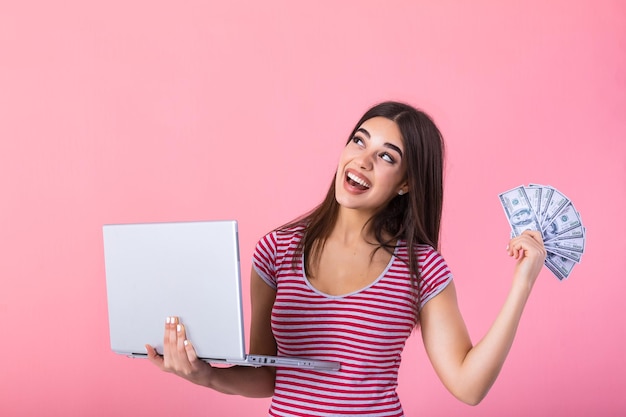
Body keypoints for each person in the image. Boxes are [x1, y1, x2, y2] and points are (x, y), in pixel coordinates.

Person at [146, 101, 547, 416]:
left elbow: (468, 386)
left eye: (387, 157)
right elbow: (268, 375)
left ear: (406, 183)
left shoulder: (421, 268)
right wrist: (205, 376)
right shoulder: (275, 251)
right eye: (359, 141)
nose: (363, 160)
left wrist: (522, 283)